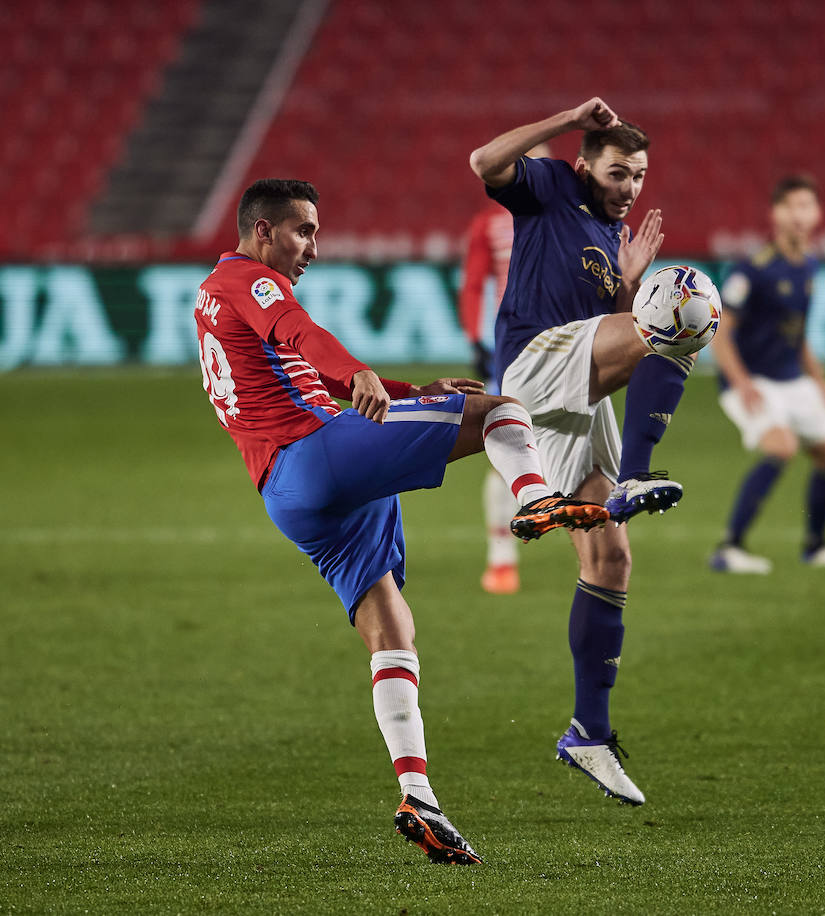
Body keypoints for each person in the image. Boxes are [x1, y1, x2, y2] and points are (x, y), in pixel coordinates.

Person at [195, 178, 610, 865]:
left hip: (289, 492)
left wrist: (416, 392)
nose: (312, 249)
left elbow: (303, 367)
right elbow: (300, 332)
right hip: (318, 450)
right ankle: (536, 500)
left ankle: (418, 795)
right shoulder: (246, 280)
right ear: (261, 230)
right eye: (302, 231)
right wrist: (358, 371)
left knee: (392, 629)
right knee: (503, 411)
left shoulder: (219, 299)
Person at [470, 98, 709, 806]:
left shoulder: (616, 234)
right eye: (616, 171)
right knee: (688, 305)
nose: (629, 186)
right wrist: (569, 115)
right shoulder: (550, 187)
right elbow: (484, 162)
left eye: (638, 175)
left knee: (610, 558)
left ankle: (589, 734)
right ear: (584, 165)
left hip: (576, 395)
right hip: (534, 365)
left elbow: (617, 337)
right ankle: (637, 473)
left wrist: (632, 281)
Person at [709, 174, 825, 574]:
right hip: (752, 381)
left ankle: (816, 546)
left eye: (806, 206)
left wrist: (819, 379)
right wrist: (743, 383)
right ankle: (729, 548)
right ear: (775, 214)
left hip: (792, 378)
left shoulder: (810, 266)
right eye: (791, 206)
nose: (799, 214)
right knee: (780, 447)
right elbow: (720, 334)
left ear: (817, 214)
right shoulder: (753, 270)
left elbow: (797, 335)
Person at [456, 144, 551, 596]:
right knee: (509, 448)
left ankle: (596, 553)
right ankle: (501, 560)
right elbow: (474, 284)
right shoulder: (491, 224)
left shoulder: (570, 219)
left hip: (570, 351)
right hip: (515, 352)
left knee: (566, 450)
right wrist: (475, 339)